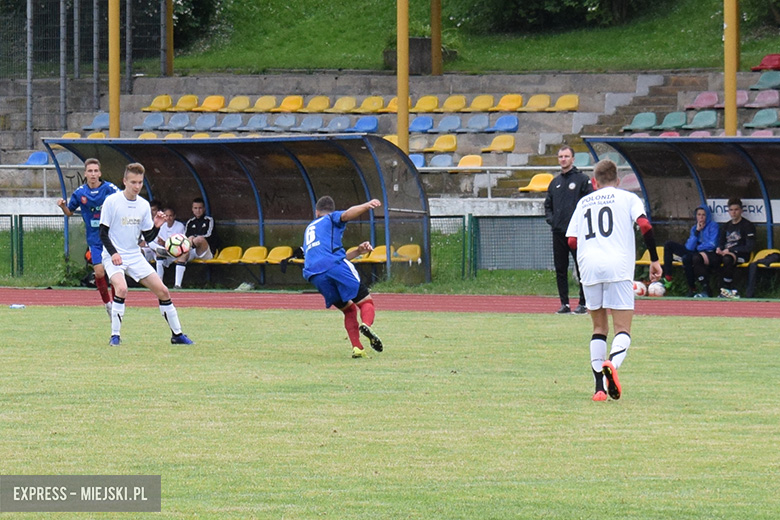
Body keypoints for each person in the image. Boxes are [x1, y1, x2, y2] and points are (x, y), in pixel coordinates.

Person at [566, 159, 662, 401]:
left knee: (599, 328)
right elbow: (645, 225)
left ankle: (599, 388)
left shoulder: (583, 202)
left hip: (589, 267)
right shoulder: (627, 198)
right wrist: (654, 259)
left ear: (594, 182)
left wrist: (586, 258)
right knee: (622, 328)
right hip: (617, 266)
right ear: (618, 181)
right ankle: (612, 365)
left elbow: (572, 241)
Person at [99, 162, 194, 347]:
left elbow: (147, 236)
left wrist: (156, 226)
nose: (137, 186)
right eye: (133, 182)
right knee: (122, 288)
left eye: (140, 182)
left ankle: (177, 335)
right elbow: (102, 232)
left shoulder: (143, 205)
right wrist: (114, 253)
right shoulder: (112, 202)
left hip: (135, 255)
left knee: (163, 291)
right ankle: (115, 336)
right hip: (113, 254)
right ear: (124, 181)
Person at [302, 196, 384, 359]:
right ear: (330, 211)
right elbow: (346, 215)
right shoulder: (331, 218)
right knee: (365, 301)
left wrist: (358, 252)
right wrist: (366, 205)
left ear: (316, 212)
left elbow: (328, 258)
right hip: (333, 266)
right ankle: (366, 325)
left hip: (315, 275)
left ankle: (358, 348)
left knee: (348, 309)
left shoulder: (309, 228)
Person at [56, 158, 120, 316]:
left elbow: (123, 201)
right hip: (94, 239)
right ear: (85, 173)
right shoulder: (80, 193)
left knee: (115, 275)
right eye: (90, 171)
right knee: (99, 273)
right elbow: (69, 212)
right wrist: (63, 206)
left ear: (100, 173)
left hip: (111, 238)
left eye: (96, 171)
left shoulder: (109, 189)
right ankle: (108, 304)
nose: (93, 174)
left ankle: (118, 304)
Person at [544, 145, 593, 314]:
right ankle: (564, 303)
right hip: (558, 232)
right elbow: (547, 205)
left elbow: (589, 203)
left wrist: (581, 225)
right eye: (560, 157)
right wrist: (552, 221)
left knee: (582, 268)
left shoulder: (582, 180)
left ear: (573, 159)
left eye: (566, 156)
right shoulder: (555, 182)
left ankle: (583, 302)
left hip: (577, 233)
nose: (563, 159)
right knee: (560, 268)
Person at [663, 205, 719, 297]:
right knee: (668, 245)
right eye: (699, 215)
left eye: (703, 215)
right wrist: (697, 231)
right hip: (694, 250)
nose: (701, 217)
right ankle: (668, 276)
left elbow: (712, 244)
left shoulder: (713, 226)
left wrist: (699, 247)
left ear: (707, 216)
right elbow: (689, 247)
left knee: (686, 259)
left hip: (705, 253)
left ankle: (692, 288)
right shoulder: (694, 228)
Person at [169, 197, 217, 289]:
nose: (198, 210)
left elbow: (209, 235)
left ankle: (172, 252)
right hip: (192, 249)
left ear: (204, 209)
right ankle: (177, 285)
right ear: (192, 209)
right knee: (184, 253)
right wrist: (190, 239)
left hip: (205, 251)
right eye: (195, 208)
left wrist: (193, 238)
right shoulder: (190, 222)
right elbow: (186, 238)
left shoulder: (209, 220)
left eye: (200, 208)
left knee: (199, 239)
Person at [714, 197, 756, 299]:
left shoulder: (747, 225)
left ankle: (727, 289)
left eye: (736, 210)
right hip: (726, 252)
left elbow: (749, 247)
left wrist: (731, 250)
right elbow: (721, 242)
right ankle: (707, 289)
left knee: (727, 259)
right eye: (731, 210)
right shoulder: (726, 226)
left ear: (741, 210)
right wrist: (719, 249)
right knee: (711, 259)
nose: (733, 212)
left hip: (741, 254)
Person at [152, 207, 186, 283]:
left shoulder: (179, 226)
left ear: (174, 216)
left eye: (170, 216)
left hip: (177, 252)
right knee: (158, 252)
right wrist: (160, 242)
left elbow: (180, 243)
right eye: (166, 216)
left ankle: (177, 285)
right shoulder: (162, 226)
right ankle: (159, 282)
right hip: (164, 250)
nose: (168, 218)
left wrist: (165, 243)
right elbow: (157, 239)